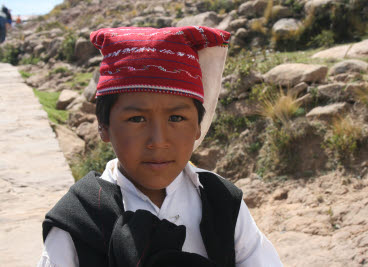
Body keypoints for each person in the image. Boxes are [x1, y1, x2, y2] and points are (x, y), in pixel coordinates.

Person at [38, 26, 283, 267]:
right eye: (137, 119)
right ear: (103, 126)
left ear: (198, 125)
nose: (158, 141)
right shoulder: (79, 219)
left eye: (176, 118)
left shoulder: (222, 201)